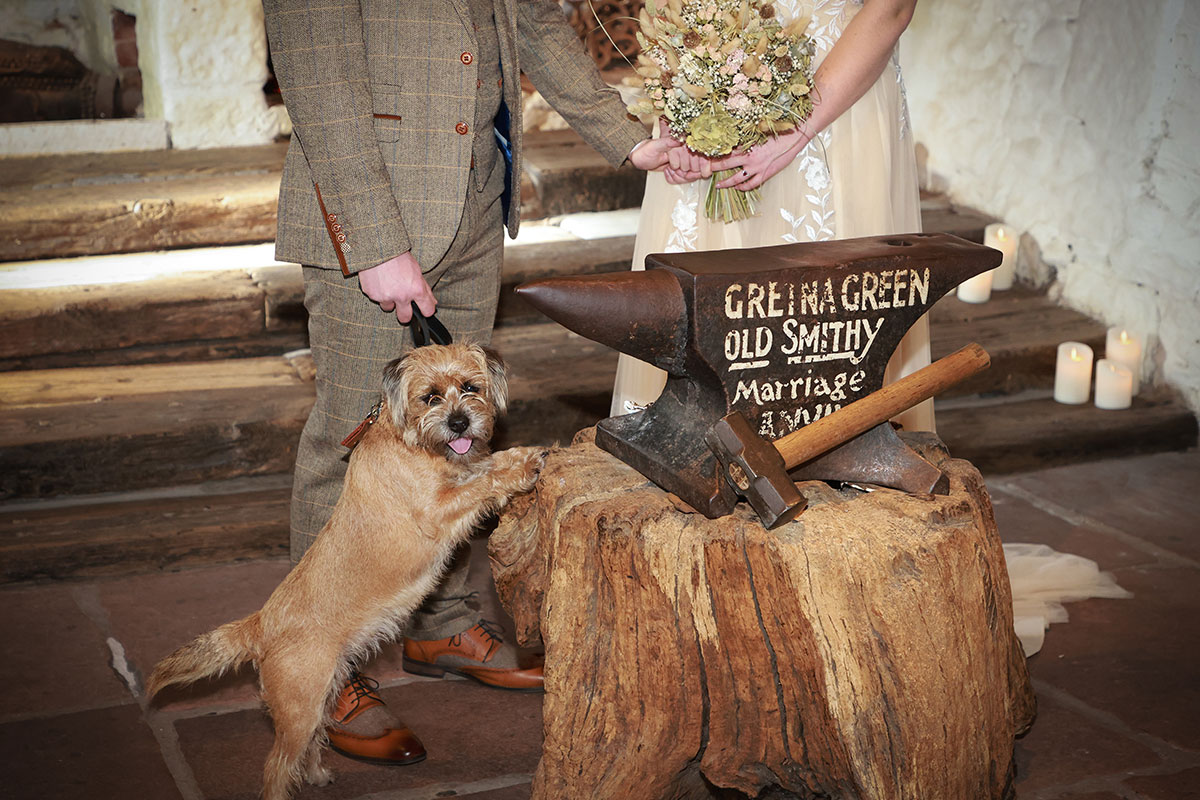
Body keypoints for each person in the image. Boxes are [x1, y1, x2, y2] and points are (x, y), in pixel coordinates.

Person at [262, 0, 683, 766]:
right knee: (352, 441)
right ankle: (327, 666)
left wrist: (627, 138)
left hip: (475, 200)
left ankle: (442, 623)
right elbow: (315, 66)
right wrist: (375, 241)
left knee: (456, 427)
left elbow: (534, 20)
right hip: (370, 212)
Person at [611, 0, 934, 433]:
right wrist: (677, 96)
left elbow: (891, 8)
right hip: (706, 73)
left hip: (835, 101)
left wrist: (797, 129)